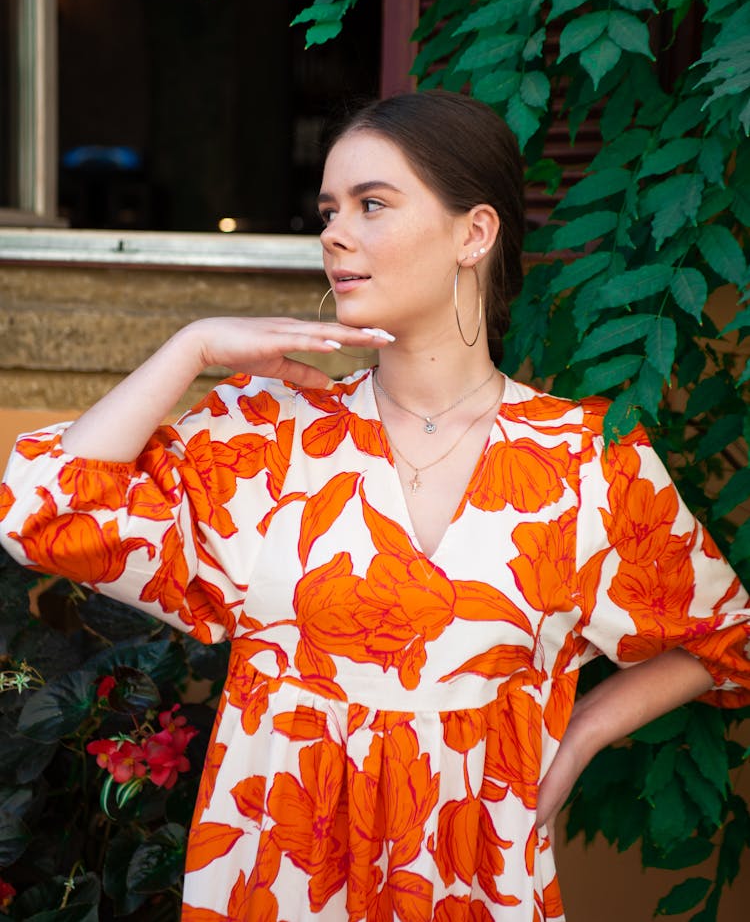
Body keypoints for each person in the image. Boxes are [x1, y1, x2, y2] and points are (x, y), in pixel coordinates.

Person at [1, 90, 749, 922]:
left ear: (475, 232)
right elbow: (42, 510)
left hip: (474, 887)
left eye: (372, 205)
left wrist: (580, 736)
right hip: (278, 883)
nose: (333, 233)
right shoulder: (271, 435)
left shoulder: (584, 461)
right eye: (328, 210)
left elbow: (724, 633)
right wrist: (194, 348)